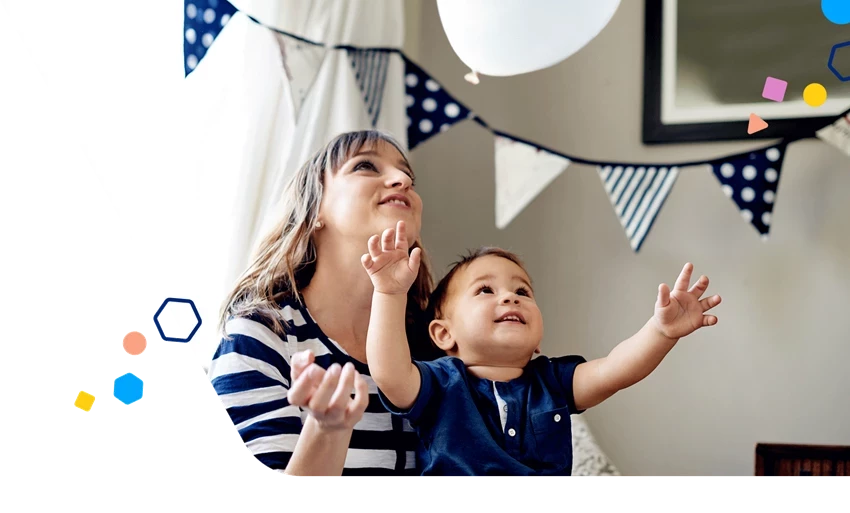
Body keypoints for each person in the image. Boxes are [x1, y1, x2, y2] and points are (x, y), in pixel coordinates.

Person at [362, 231, 722, 478]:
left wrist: (660, 332)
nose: (510, 297)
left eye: (522, 291)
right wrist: (390, 294)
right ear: (444, 333)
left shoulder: (552, 381)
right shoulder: (440, 384)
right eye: (485, 290)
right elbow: (390, 372)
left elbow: (616, 369)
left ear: (537, 341)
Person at [209, 130, 443, 478]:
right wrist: (328, 430)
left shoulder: (435, 344)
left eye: (407, 174)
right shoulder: (259, 338)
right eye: (365, 165)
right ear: (315, 208)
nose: (403, 179)